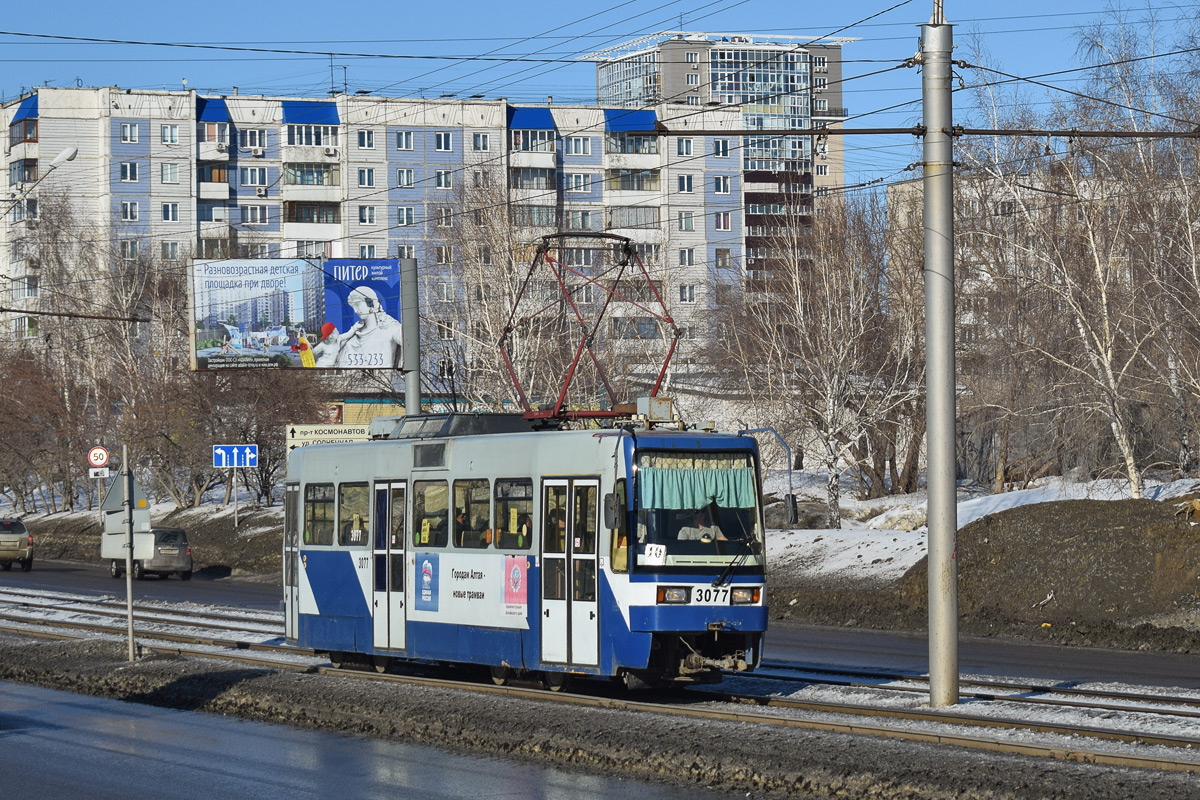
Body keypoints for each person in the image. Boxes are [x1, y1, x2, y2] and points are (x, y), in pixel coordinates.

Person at [333, 286, 403, 368]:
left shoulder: (390, 328)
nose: (355, 310)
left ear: (370, 303)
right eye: (353, 306)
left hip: (383, 376)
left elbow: (409, 343)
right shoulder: (352, 340)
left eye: (358, 304)